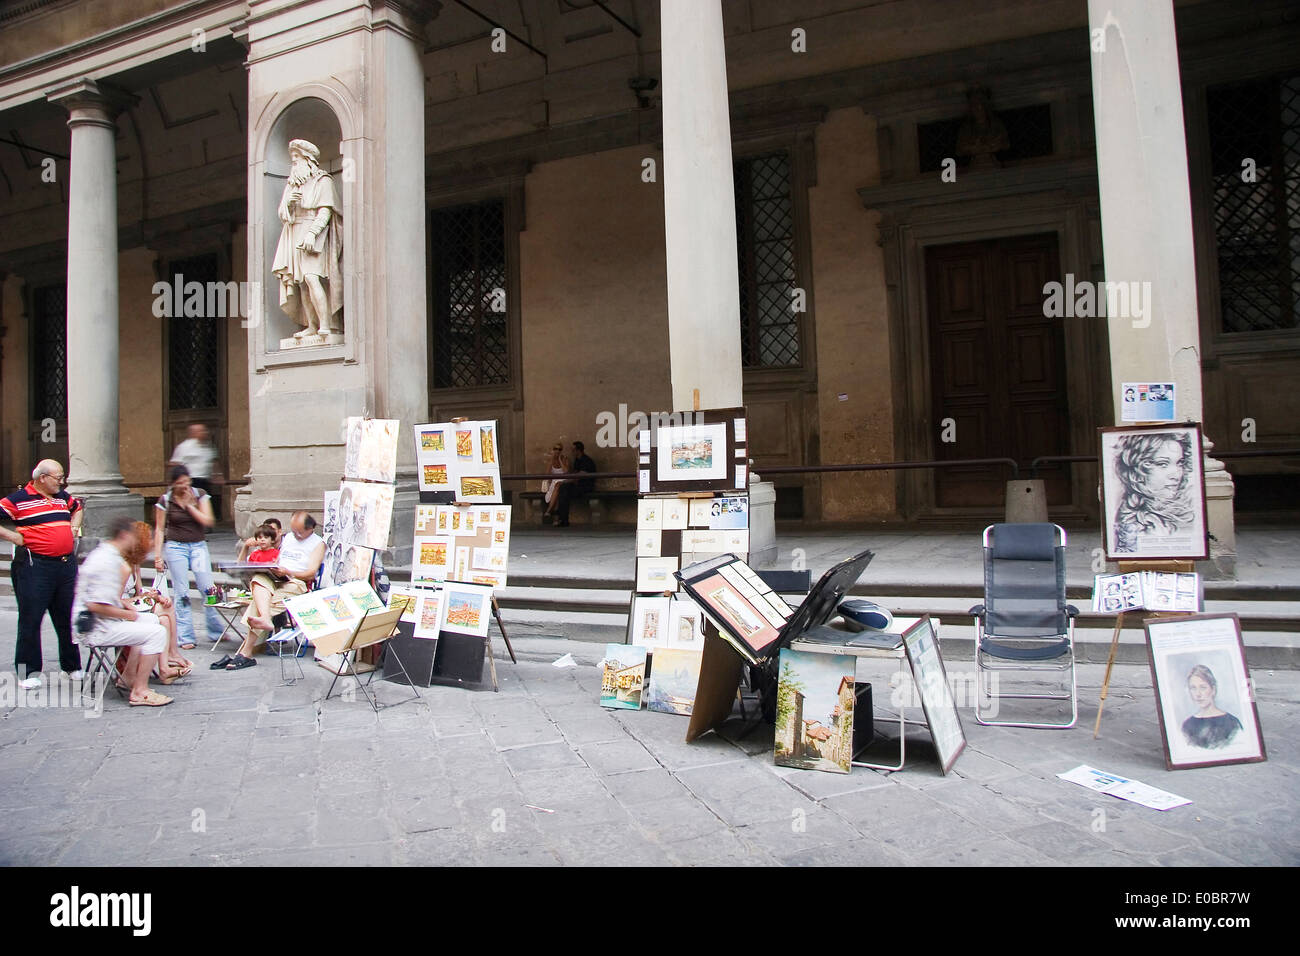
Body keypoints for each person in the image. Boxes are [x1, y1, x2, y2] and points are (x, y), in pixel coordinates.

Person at [0, 460, 83, 688]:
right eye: (58, 477)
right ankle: (28, 672)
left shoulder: (62, 496)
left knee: (66, 616)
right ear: (42, 478)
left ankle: (72, 666)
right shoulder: (17, 499)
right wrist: (14, 537)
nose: (62, 481)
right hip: (34, 566)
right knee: (31, 618)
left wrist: (74, 527)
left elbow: (78, 509)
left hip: (65, 565)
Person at [73, 516, 172, 707]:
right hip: (95, 628)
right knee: (157, 633)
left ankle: (128, 676)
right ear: (125, 536)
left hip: (98, 621)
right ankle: (140, 691)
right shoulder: (108, 561)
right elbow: (96, 605)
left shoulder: (107, 554)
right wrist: (131, 615)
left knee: (152, 620)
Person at [217, 511, 324, 671]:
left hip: (297, 581)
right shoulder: (288, 538)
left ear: (310, 529)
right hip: (277, 577)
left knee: (262, 605)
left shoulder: (318, 543)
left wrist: (288, 572)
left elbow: (310, 573)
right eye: (293, 530)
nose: (295, 534)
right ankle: (265, 620)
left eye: (299, 531)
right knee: (258, 579)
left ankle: (244, 653)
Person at [272, 138, 344, 338]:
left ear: (308, 159)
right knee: (301, 282)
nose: (293, 163)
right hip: (294, 232)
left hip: (313, 233)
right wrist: (288, 204)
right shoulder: (292, 185)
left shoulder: (323, 180)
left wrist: (313, 233)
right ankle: (312, 326)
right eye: (292, 160)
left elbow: (326, 211)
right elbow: (281, 213)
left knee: (312, 278)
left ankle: (326, 325)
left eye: (296, 159)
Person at [154, 465, 224, 648]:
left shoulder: (199, 494)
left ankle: (215, 629)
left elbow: (208, 521)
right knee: (182, 591)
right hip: (176, 546)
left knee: (207, 588)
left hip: (198, 545)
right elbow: (159, 529)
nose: (184, 486)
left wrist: (190, 507)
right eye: (180, 483)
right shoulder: (166, 500)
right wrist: (157, 556)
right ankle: (185, 636)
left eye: (187, 481)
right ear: (172, 484)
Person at [1111, 431, 1197, 554]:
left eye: (1180, 463)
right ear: (1139, 469)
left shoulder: (1186, 505)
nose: (1176, 475)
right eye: (1163, 464)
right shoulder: (1135, 519)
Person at [1181, 664, 1243, 749]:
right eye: (1193, 688)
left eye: (1203, 687)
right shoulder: (1187, 726)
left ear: (1213, 689)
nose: (1198, 694)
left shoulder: (1232, 723)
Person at [168, 424, 221, 519]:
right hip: (190, 480)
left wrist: (217, 475)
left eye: (204, 431)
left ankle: (204, 522)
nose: (204, 433)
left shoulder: (208, 447)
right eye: (200, 431)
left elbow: (213, 462)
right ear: (193, 433)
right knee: (191, 502)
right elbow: (175, 463)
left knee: (204, 502)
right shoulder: (184, 447)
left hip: (204, 480)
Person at [553, 441, 596, 528]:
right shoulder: (577, 460)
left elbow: (579, 476)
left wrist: (565, 481)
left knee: (564, 489)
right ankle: (562, 517)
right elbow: (574, 474)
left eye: (573, 450)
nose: (572, 452)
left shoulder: (586, 461)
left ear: (578, 450)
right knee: (563, 489)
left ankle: (561, 515)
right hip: (577, 485)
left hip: (586, 487)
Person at [541, 443, 569, 523]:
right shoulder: (551, 460)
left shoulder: (565, 459)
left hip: (563, 480)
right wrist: (551, 461)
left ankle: (549, 511)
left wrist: (560, 460)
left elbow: (566, 472)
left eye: (559, 449)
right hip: (554, 481)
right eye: (555, 449)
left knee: (558, 487)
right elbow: (547, 474)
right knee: (556, 494)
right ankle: (556, 520)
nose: (557, 451)